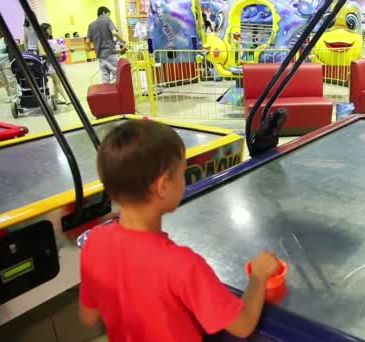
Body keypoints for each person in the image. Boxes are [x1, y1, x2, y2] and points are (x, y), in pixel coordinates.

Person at [78, 120, 281, 341]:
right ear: (163, 185)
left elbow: (89, 316)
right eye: (182, 172)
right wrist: (258, 276)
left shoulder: (95, 241)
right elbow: (242, 326)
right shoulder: (182, 266)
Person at [86, 6, 126, 83]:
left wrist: (88, 48)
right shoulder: (107, 20)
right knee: (117, 75)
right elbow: (114, 32)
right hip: (110, 52)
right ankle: (117, 94)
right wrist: (122, 41)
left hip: (100, 55)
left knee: (105, 76)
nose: (109, 16)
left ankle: (107, 92)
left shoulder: (91, 25)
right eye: (108, 14)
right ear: (103, 12)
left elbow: (87, 41)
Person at [38, 23, 69, 105]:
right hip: (50, 64)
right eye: (49, 29)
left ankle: (56, 99)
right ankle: (66, 99)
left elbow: (59, 49)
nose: (51, 31)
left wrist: (68, 50)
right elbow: (42, 53)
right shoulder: (40, 40)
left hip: (58, 63)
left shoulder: (52, 40)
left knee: (56, 82)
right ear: (44, 31)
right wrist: (54, 54)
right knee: (57, 81)